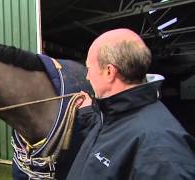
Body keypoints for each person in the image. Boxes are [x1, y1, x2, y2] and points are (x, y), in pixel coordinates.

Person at [67, 28, 195, 180]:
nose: (87, 77)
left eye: (89, 68)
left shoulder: (159, 149)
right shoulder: (115, 113)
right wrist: (87, 111)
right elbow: (114, 135)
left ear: (109, 71)